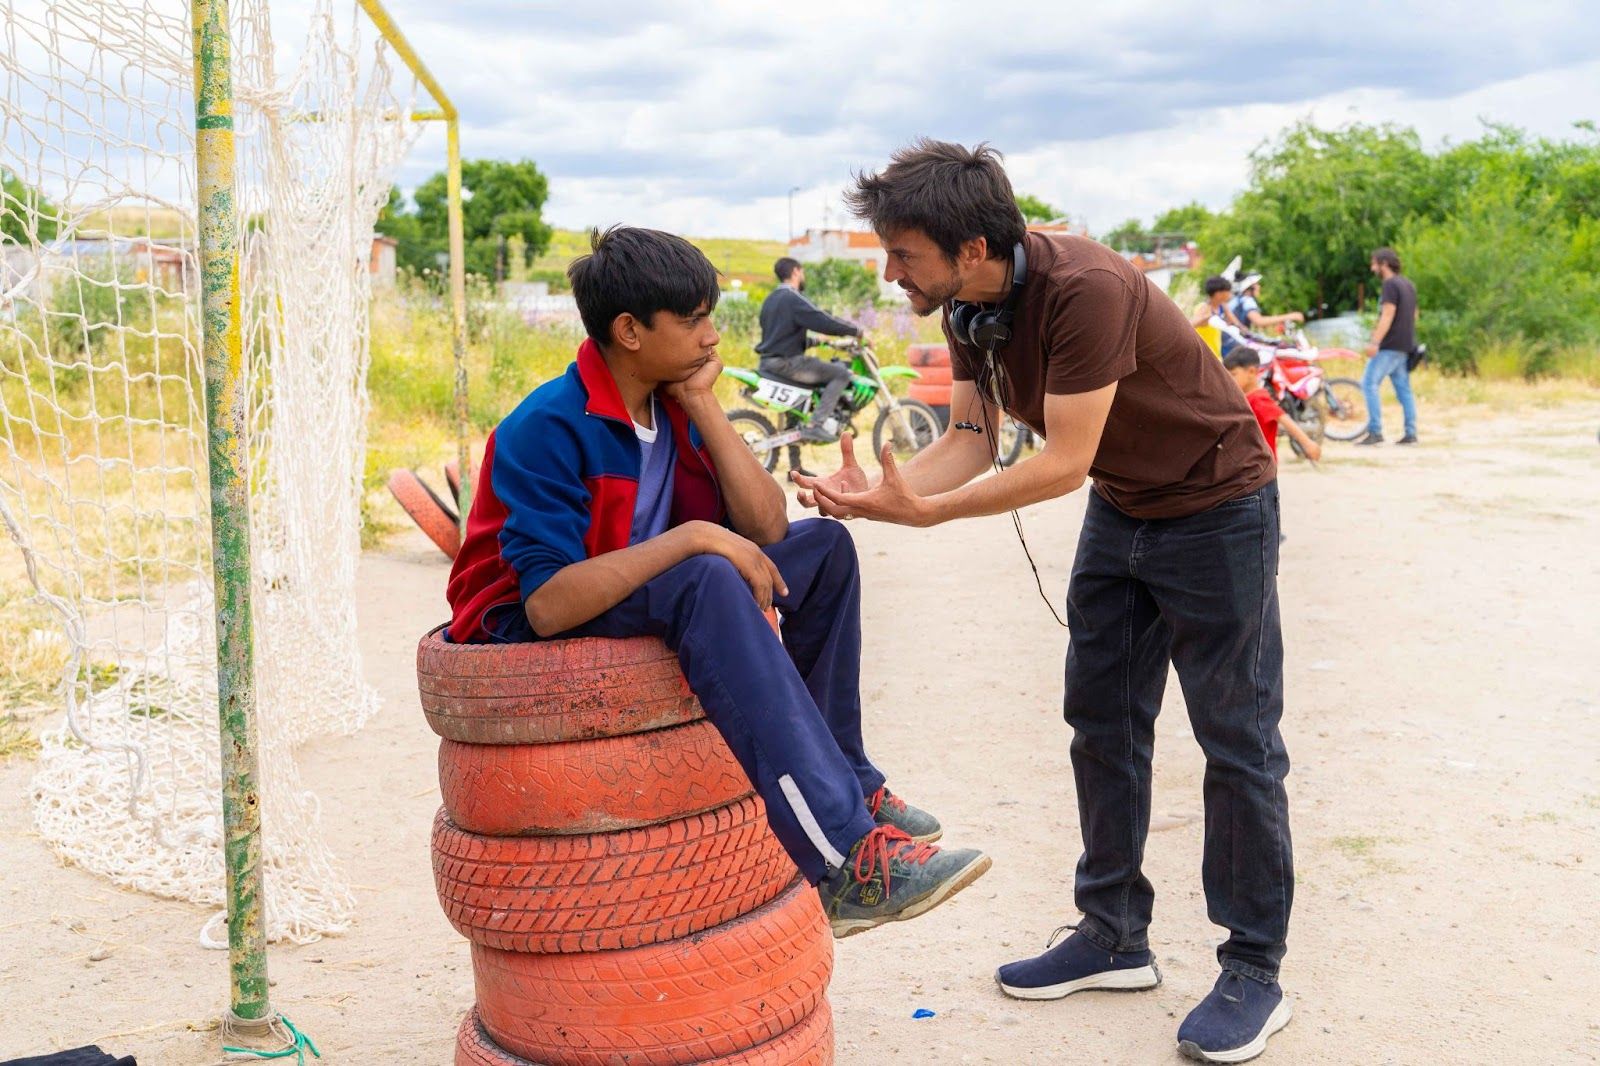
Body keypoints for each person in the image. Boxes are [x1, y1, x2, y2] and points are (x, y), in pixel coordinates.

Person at [795, 140, 1295, 1063]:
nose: (892, 271)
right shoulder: (969, 309)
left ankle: (1254, 969)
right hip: (1126, 506)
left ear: (974, 246)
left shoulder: (1086, 289)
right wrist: (885, 500)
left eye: (904, 255)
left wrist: (931, 517)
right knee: (1100, 720)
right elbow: (971, 442)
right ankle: (1112, 935)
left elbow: (1059, 462)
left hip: (1217, 507)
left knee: (1238, 739)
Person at [445, 226, 991, 938]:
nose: (712, 336)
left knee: (822, 547)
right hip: (528, 614)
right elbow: (547, 606)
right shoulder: (547, 426)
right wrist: (698, 536)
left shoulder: (674, 404)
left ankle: (851, 781)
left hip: (640, 579)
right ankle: (847, 861)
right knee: (705, 571)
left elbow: (766, 531)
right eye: (693, 319)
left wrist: (704, 408)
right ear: (630, 330)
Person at [755, 257, 863, 442]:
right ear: (796, 271)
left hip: (768, 363)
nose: (803, 276)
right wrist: (856, 331)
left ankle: (795, 467)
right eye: (802, 272)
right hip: (787, 363)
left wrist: (816, 342)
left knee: (796, 411)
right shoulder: (792, 297)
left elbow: (780, 336)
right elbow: (821, 319)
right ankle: (816, 425)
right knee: (841, 374)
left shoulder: (770, 299)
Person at [1357, 247, 1418, 445]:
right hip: (1406, 345)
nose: (1372, 267)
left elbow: (1388, 314)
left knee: (1368, 383)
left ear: (1384, 263)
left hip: (1389, 345)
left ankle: (1375, 431)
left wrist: (1375, 341)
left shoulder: (1390, 285)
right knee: (1404, 390)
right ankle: (1411, 433)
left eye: (1374, 263)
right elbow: (1415, 315)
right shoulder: (1408, 285)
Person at [1223, 348, 1321, 463]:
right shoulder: (1243, 398)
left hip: (1259, 466)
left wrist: (1307, 443)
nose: (1229, 380)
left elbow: (1283, 418)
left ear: (1251, 372)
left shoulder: (1258, 399)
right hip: (1249, 463)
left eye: (1233, 375)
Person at [1230, 274, 1304, 334]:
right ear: (1250, 288)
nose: (1259, 287)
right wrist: (1290, 316)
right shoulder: (1247, 300)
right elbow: (1259, 321)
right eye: (1257, 284)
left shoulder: (1238, 299)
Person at [1189, 275, 1241, 357]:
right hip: (1204, 355)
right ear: (1218, 294)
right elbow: (1190, 325)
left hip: (1216, 354)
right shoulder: (1204, 308)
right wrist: (1205, 318)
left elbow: (1236, 323)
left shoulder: (1222, 306)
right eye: (1228, 291)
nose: (1230, 294)